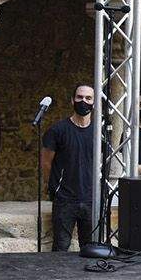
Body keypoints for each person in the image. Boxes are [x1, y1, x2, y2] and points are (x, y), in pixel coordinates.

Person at [42, 83, 97, 251]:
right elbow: (45, 162)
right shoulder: (57, 130)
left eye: (88, 98)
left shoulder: (99, 132)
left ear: (94, 103)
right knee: (61, 247)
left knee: (90, 249)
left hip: (91, 199)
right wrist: (55, 188)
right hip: (64, 200)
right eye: (80, 97)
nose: (83, 101)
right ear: (72, 100)